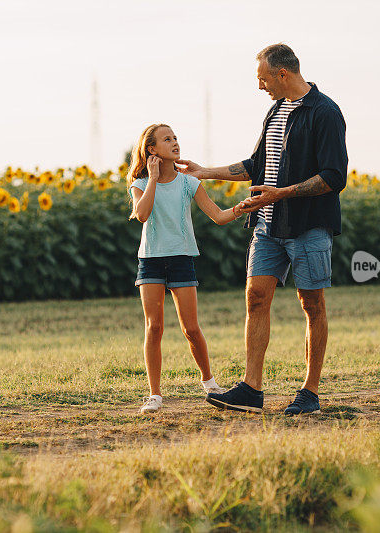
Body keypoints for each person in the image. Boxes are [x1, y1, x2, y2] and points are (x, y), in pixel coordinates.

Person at [176, 44, 348, 415]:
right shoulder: (275, 110)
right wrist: (203, 171)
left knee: (312, 304)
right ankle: (251, 389)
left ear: (282, 74)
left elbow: (334, 177)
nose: (260, 86)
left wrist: (279, 194)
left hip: (308, 226)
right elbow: (255, 165)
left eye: (263, 78)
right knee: (255, 298)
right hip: (268, 227)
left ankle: (310, 393)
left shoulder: (326, 112)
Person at [128, 123, 244, 414]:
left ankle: (210, 384)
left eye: (176, 138)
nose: (175, 142)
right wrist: (153, 178)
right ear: (151, 149)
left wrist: (241, 208)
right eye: (167, 139)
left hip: (182, 259)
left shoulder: (189, 182)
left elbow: (217, 216)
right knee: (154, 328)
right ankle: (154, 395)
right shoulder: (140, 183)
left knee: (191, 328)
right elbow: (141, 214)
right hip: (151, 259)